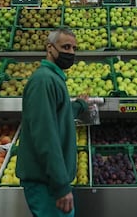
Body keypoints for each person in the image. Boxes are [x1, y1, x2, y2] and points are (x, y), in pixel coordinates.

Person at [16, 28, 88, 217]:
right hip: (45, 181)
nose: (71, 52)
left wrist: (79, 105)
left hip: (50, 179)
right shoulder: (43, 81)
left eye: (74, 48)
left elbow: (57, 115)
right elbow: (45, 136)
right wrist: (61, 186)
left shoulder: (53, 78)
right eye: (65, 47)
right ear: (50, 48)